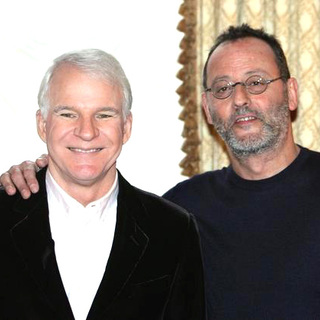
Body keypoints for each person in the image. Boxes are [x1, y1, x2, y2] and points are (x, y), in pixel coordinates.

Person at [3, 23, 320, 319]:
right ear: (207, 108)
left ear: (291, 93)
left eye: (256, 82)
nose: (240, 99)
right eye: (223, 88)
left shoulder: (172, 222)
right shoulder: (183, 211)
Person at [0, 49, 205, 320]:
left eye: (104, 115)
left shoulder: (173, 230)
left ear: (126, 127)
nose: (87, 131)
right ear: (42, 124)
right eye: (68, 114)